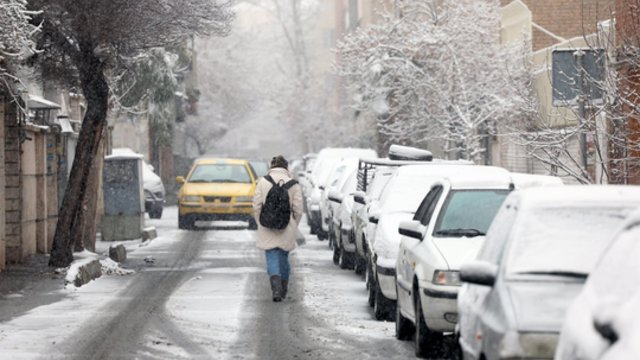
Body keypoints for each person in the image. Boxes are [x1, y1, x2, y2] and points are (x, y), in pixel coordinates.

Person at [253, 155, 303, 302]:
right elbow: (298, 210)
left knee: (271, 255)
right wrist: (293, 224)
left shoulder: (263, 182)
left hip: (267, 225)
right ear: (286, 167)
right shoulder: (294, 184)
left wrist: (260, 222)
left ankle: (276, 288)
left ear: (271, 167)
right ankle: (283, 287)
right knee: (283, 257)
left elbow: (256, 206)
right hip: (287, 226)